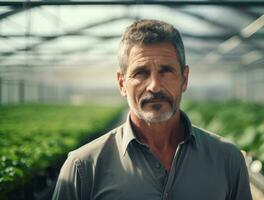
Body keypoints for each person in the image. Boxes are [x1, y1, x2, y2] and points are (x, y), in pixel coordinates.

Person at [52, 19, 252, 200]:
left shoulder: (227, 159)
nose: (154, 86)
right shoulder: (83, 167)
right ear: (122, 83)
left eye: (166, 71)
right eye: (141, 72)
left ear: (185, 78)